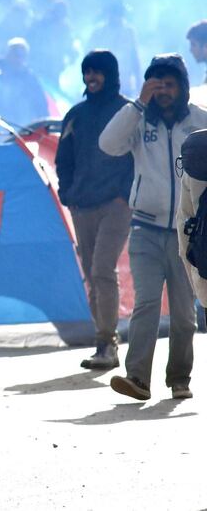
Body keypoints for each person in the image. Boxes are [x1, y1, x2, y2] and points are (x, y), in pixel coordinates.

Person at [100, 53, 207, 400]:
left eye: (169, 83)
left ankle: (179, 379)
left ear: (183, 86)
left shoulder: (199, 121)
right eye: (156, 83)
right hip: (145, 229)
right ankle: (138, 379)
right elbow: (108, 144)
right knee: (145, 304)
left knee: (183, 313)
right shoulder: (139, 120)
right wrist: (137, 104)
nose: (163, 90)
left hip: (187, 233)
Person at [55, 50, 134, 370]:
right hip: (82, 204)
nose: (91, 77)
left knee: (102, 268)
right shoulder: (76, 114)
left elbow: (137, 156)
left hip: (116, 205)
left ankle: (107, 342)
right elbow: (63, 158)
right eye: (87, 71)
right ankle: (104, 340)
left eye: (97, 72)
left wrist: (124, 195)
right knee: (91, 274)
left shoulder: (128, 112)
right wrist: (67, 193)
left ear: (110, 74)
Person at [0, 37, 48, 128]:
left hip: (24, 135)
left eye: (22, 55)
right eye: (16, 54)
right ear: (7, 55)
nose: (19, 58)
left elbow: (42, 110)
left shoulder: (31, 81)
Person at [88, 0, 141, 96]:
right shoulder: (99, 32)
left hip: (124, 86)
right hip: (102, 87)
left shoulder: (129, 32)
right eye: (113, 12)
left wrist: (139, 85)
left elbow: (135, 60)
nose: (115, 16)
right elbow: (89, 60)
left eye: (118, 12)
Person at [25, 0, 77, 91]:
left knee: (52, 89)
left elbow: (69, 45)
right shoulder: (41, 24)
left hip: (54, 66)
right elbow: (30, 40)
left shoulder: (65, 28)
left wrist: (72, 54)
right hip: (39, 63)